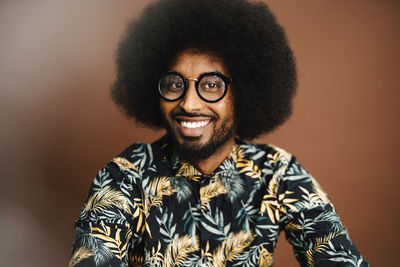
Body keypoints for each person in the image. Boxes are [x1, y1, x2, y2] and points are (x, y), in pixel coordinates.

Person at [69, 0, 369, 266]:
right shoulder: (125, 176)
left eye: (211, 85)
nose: (188, 103)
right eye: (175, 84)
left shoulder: (277, 174)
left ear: (245, 93)